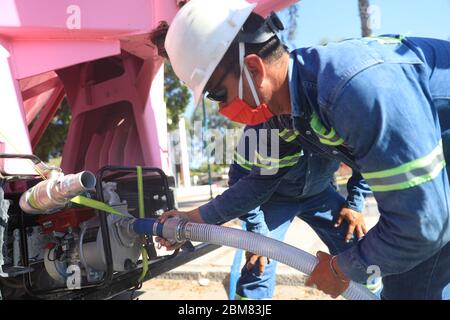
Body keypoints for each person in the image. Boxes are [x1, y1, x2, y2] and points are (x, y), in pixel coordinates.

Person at [161, 0, 450, 299]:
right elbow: (259, 182)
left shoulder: (352, 91)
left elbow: (420, 225)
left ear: (253, 68)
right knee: (407, 285)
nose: (222, 109)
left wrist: (342, 269)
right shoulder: (284, 115)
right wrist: (193, 218)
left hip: (430, 197)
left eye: (217, 94)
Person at [229, 123, 374, 299]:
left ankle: (374, 294)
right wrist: (257, 229)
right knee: (259, 262)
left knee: (359, 250)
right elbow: (238, 177)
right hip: (274, 198)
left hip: (320, 194)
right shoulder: (262, 120)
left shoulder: (336, 111)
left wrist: (354, 205)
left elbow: (366, 154)